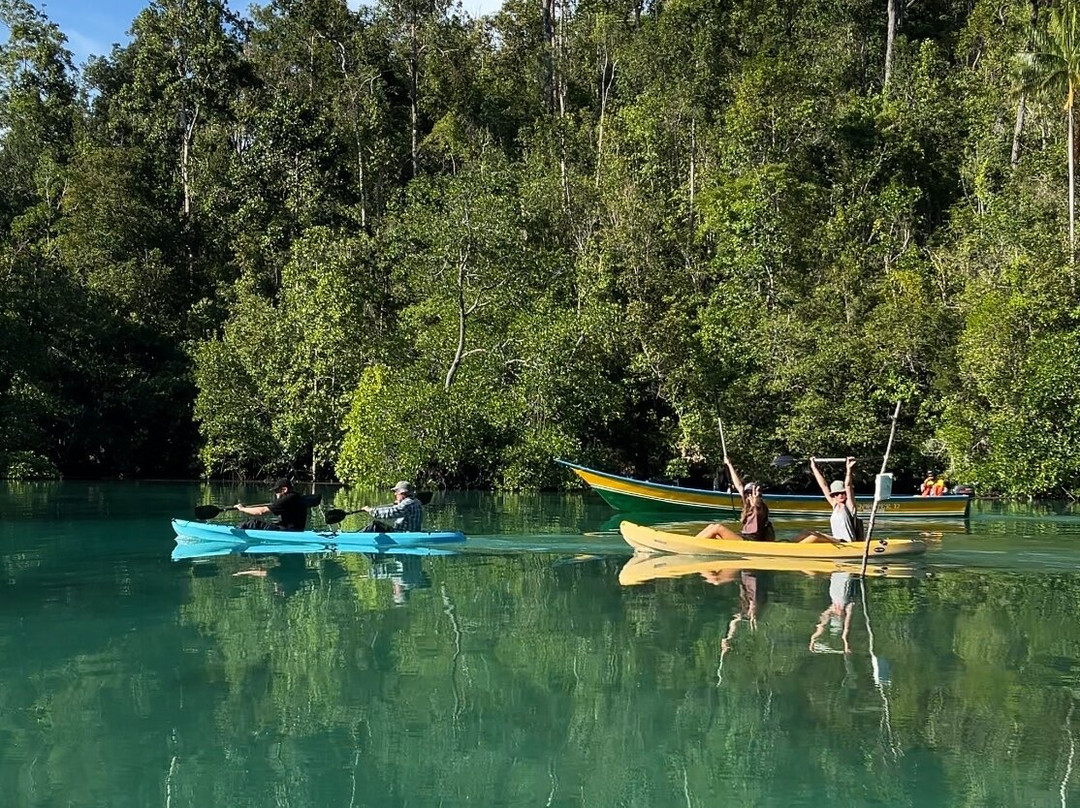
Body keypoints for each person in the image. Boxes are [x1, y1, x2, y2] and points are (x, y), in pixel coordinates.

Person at [696, 456, 775, 542]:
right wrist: (729, 464)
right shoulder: (747, 501)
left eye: (750, 493)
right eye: (747, 493)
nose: (748, 496)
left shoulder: (761, 506)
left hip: (750, 541)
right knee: (712, 527)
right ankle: (693, 541)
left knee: (717, 528)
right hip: (743, 536)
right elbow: (738, 485)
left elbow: (758, 506)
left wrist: (757, 501)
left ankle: (693, 544)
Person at [799, 456, 860, 543]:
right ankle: (786, 545)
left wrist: (849, 469)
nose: (840, 495)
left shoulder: (849, 507)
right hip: (837, 541)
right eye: (836, 494)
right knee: (805, 533)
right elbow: (823, 486)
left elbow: (848, 485)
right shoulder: (835, 505)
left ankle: (796, 550)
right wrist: (814, 467)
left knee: (814, 537)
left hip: (847, 543)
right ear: (833, 496)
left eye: (843, 493)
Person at [235, 477, 310, 532]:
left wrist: (242, 509)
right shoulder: (296, 497)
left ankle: (236, 532)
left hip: (288, 530)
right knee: (270, 523)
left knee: (253, 523)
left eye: (277, 491)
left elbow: (261, 511)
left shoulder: (287, 498)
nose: (276, 494)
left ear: (284, 490)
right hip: (296, 530)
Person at [809, 572, 856, 654]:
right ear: (842, 616)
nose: (838, 613)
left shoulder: (833, 608)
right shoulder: (848, 607)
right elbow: (846, 626)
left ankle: (838, 571)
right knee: (843, 576)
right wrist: (845, 641)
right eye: (839, 614)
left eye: (836, 614)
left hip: (835, 587)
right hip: (843, 583)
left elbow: (821, 625)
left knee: (836, 575)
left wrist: (813, 639)